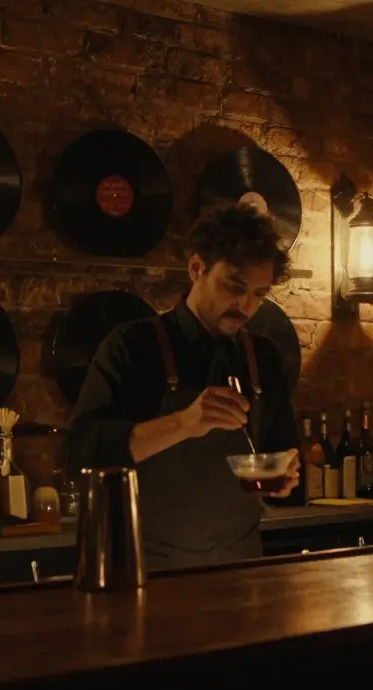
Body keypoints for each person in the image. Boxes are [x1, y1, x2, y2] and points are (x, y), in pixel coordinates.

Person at [65, 204, 300, 571]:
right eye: (234, 287)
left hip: (239, 568)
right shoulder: (133, 345)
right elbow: (80, 453)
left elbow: (280, 448)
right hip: (147, 569)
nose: (246, 306)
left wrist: (284, 473)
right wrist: (182, 424)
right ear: (196, 268)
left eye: (259, 294)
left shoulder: (263, 356)